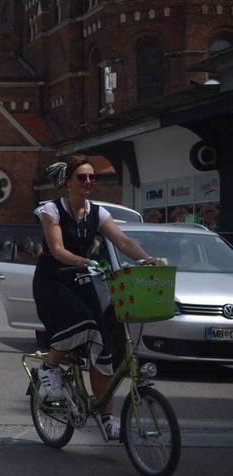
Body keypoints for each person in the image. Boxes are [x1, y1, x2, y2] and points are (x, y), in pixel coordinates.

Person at [33, 155, 163, 439]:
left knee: (104, 346)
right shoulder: (51, 210)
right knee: (85, 325)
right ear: (68, 182)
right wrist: (81, 261)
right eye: (82, 177)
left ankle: (106, 419)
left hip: (82, 279)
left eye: (93, 177)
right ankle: (48, 367)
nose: (89, 182)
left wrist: (148, 260)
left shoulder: (97, 212)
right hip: (52, 280)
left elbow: (123, 241)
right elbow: (56, 249)